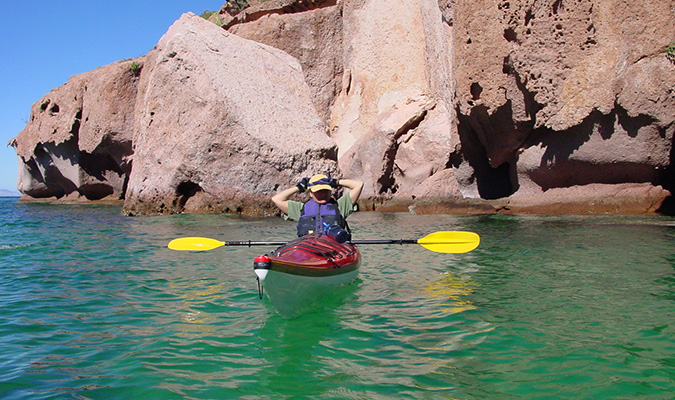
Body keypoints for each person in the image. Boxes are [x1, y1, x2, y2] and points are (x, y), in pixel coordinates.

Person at [272, 174, 364, 239]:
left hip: (333, 249)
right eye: (318, 191)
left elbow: (358, 185)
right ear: (311, 193)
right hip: (308, 248)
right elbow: (276, 199)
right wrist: (299, 187)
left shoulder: (341, 206)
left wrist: (336, 182)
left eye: (325, 190)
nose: (323, 194)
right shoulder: (300, 209)